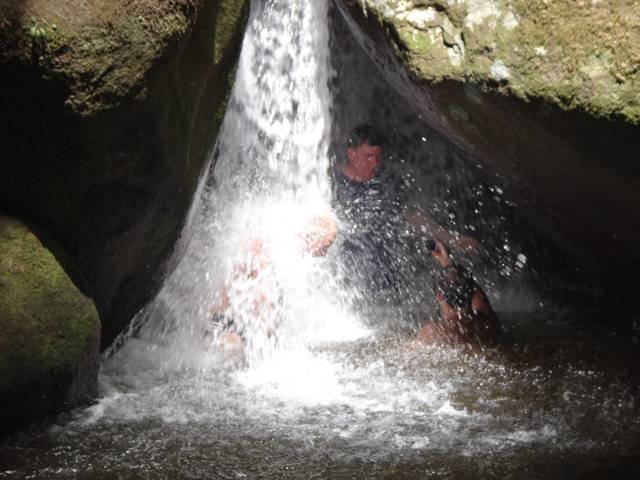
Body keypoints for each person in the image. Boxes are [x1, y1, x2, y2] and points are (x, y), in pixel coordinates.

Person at [332, 124, 478, 293]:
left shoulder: (385, 182)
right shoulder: (330, 182)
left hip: (387, 278)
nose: (375, 163)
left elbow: (412, 217)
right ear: (351, 153)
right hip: (346, 282)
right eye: (368, 156)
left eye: (378, 156)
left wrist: (453, 239)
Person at [209, 211, 338, 360]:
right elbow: (261, 296)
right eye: (325, 246)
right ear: (313, 236)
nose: (324, 254)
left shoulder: (286, 241)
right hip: (226, 320)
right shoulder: (277, 244)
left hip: (239, 317)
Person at [417, 240, 500, 348]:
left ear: (439, 296)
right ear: (472, 292)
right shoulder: (489, 323)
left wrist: (447, 264)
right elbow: (479, 296)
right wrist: (448, 263)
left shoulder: (433, 332)